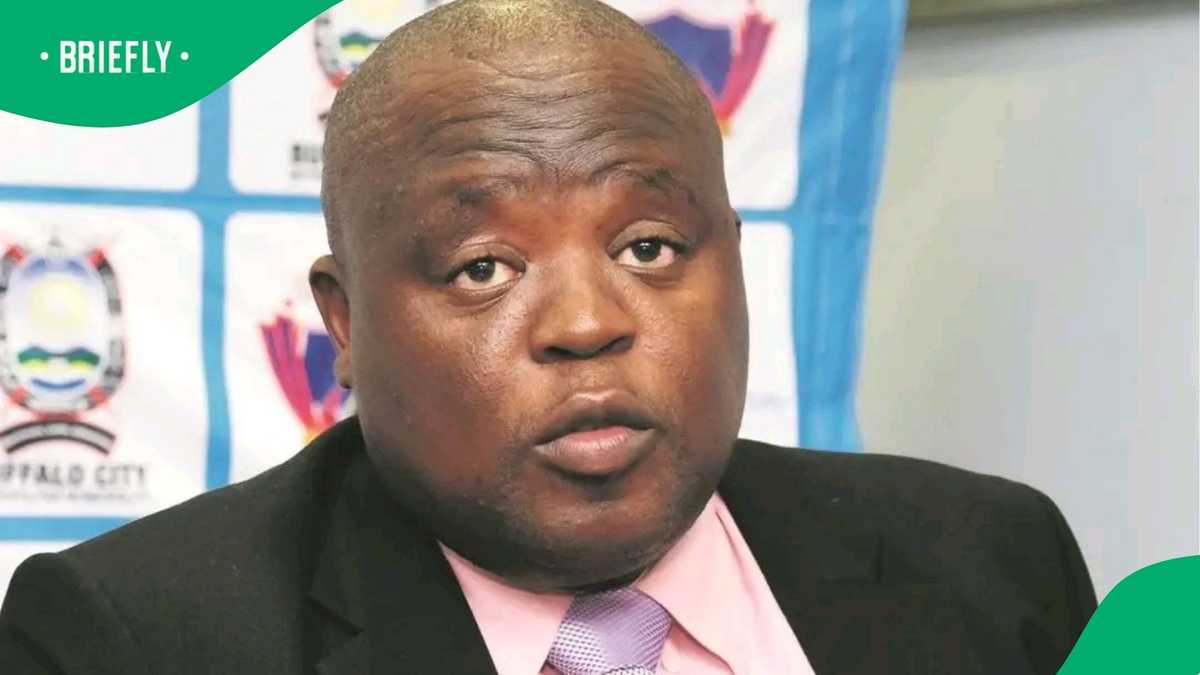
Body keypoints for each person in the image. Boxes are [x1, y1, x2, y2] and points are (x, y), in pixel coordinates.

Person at [0, 1, 1096, 673]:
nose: (587, 324)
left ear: (734, 258)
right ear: (345, 322)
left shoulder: (993, 566)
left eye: (651, 247)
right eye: (484, 267)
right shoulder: (134, 641)